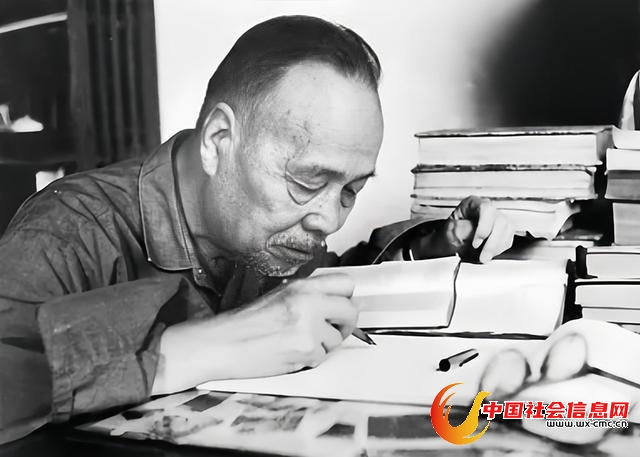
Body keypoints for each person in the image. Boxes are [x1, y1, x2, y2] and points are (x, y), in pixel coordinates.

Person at [0, 15, 514, 444]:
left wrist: (434, 245)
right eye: (306, 181)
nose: (329, 219)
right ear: (218, 140)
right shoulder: (69, 231)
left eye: (351, 190)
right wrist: (190, 351)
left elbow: (326, 282)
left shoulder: (270, 229)